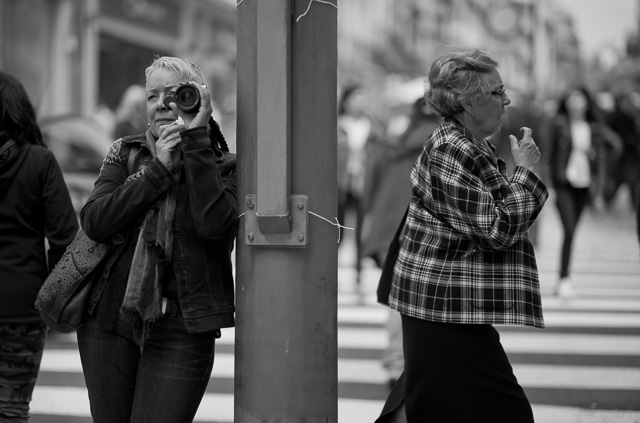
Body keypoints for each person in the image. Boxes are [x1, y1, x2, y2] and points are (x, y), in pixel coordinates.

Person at [377, 47, 548, 423]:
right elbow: (497, 230)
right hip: (442, 307)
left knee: (432, 406)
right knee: (503, 411)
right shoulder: (451, 148)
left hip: (449, 305)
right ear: (468, 103)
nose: (506, 101)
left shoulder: (467, 144)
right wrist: (526, 174)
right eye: (496, 92)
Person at [76, 56, 237, 423]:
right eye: (152, 96)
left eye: (177, 94)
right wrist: (158, 170)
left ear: (199, 100)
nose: (162, 104)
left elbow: (213, 226)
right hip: (108, 323)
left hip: (183, 328)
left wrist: (195, 140)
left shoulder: (227, 165)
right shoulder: (125, 152)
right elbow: (95, 222)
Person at [0, 71, 79, 421]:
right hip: (21, 306)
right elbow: (65, 240)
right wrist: (51, 299)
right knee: (11, 409)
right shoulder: (39, 161)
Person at [361, 96, 441, 388]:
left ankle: (398, 362)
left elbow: (369, 187)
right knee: (408, 300)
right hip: (415, 228)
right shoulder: (440, 143)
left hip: (387, 228)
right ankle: (401, 363)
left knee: (398, 298)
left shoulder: (394, 141)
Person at [547, 86, 622, 297]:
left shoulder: (594, 127)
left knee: (572, 233)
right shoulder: (559, 124)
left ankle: (565, 276)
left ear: (587, 102)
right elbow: (548, 154)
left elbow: (609, 152)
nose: (575, 103)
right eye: (571, 99)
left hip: (584, 184)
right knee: (569, 230)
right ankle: (563, 278)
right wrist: (549, 185)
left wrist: (598, 188)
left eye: (579, 99)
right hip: (563, 183)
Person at [337, 84, 386, 293]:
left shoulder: (372, 126)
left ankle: (358, 273)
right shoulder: (336, 124)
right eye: (356, 97)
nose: (360, 102)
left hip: (364, 183)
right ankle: (330, 270)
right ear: (346, 101)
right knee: (336, 228)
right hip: (340, 183)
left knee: (360, 230)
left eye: (362, 97)